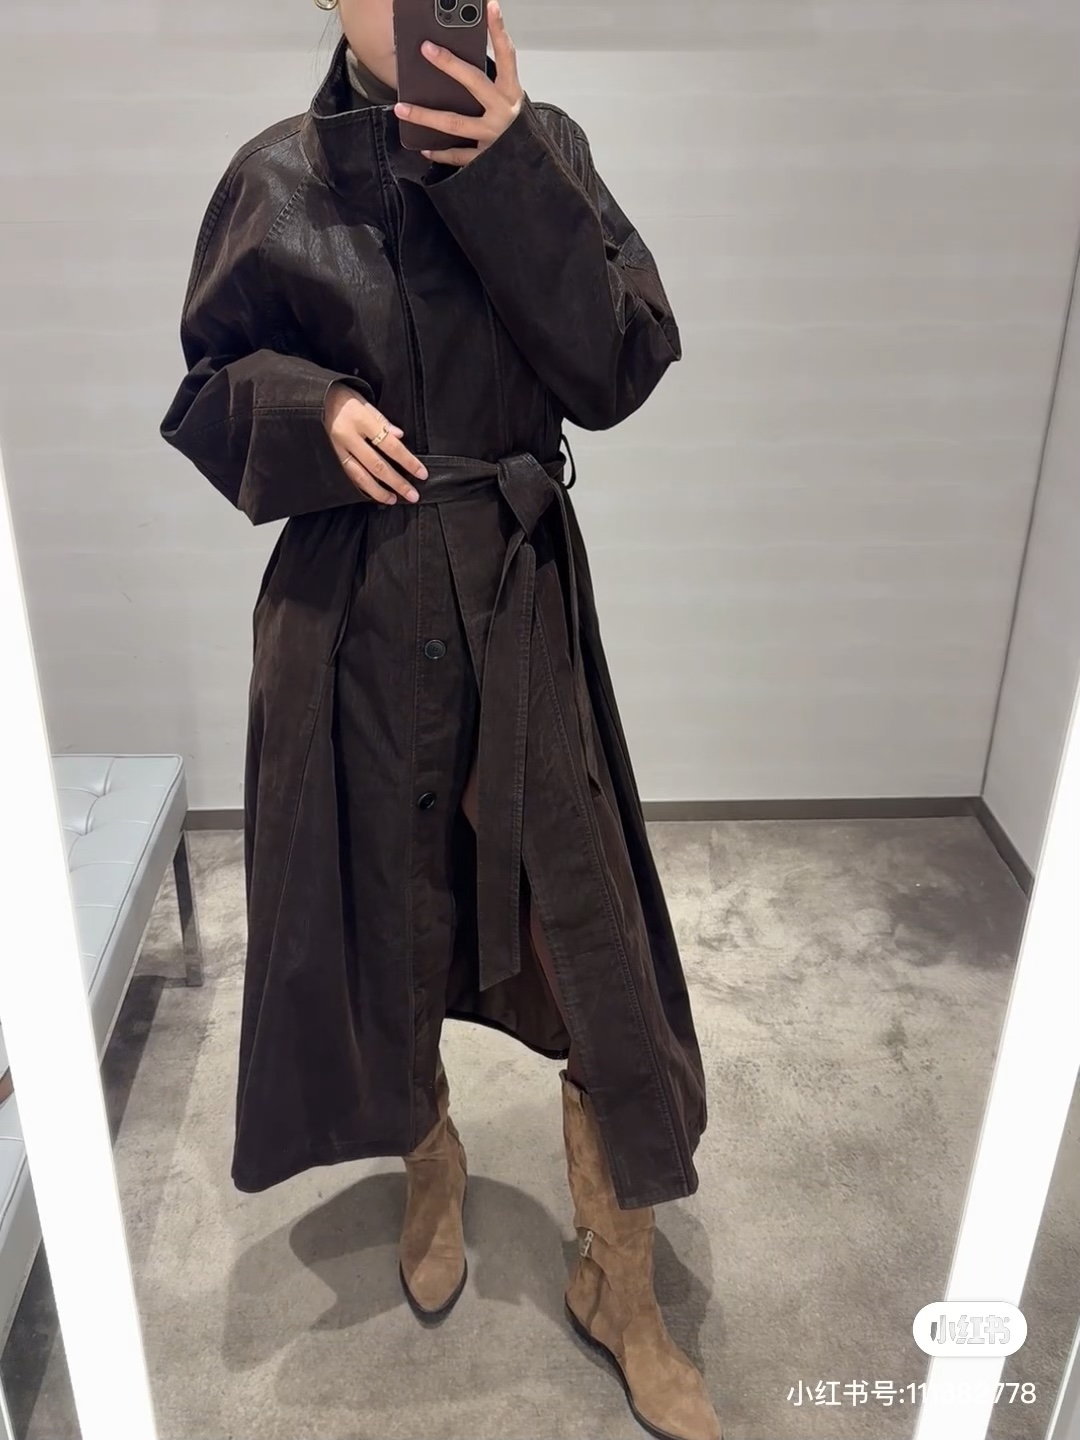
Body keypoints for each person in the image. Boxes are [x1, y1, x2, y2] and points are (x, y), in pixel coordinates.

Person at [161, 2, 720, 1436]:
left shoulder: (554, 149)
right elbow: (209, 383)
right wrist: (309, 410)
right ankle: (429, 1159)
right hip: (347, 614)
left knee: (584, 938)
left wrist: (511, 167)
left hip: (516, 595)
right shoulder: (277, 174)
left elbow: (619, 366)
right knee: (382, 913)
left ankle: (620, 1274)